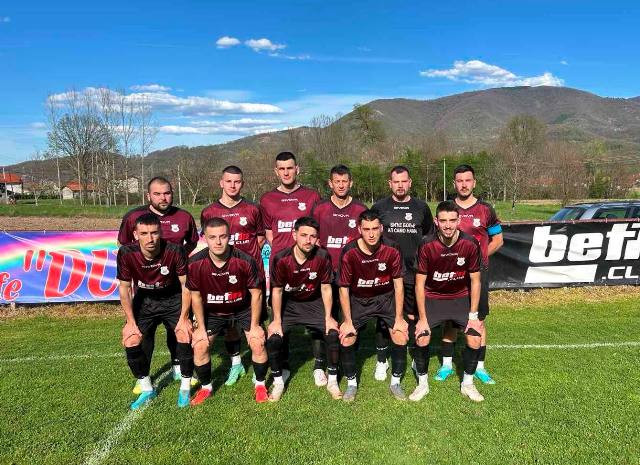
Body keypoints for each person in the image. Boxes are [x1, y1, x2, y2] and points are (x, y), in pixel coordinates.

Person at [118, 176, 199, 389]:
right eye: (157, 193)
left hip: (174, 289)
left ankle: (178, 367)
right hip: (145, 294)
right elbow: (125, 246)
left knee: (179, 332)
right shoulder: (133, 217)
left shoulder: (184, 217)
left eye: (167, 193)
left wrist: (176, 261)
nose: (163, 197)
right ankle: (143, 378)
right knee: (141, 336)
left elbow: (192, 243)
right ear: (148, 196)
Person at [187, 218, 269, 405]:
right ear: (205, 238)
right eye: (212, 237)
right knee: (200, 345)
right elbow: (196, 297)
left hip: (243, 308)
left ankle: (260, 385)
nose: (218, 242)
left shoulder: (244, 260)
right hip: (213, 311)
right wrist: (200, 328)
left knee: (257, 342)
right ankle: (206, 388)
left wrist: (255, 325)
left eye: (223, 236)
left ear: (229, 237)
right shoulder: (194, 263)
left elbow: (256, 294)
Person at [116, 213, 193, 409]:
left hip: (173, 298)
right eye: (144, 233)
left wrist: (185, 317)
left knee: (184, 334)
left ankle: (185, 387)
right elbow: (124, 288)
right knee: (132, 339)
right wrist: (130, 322)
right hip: (145, 301)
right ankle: (146, 388)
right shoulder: (126, 252)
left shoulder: (175, 250)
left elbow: (186, 286)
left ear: (161, 232)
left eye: (154, 233)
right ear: (135, 235)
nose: (150, 238)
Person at [260, 152, 324, 385]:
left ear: (297, 169)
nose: (286, 172)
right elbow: (269, 235)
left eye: (290, 168)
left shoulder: (312, 196)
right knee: (279, 316)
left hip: (310, 266)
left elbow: (317, 230)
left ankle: (319, 365)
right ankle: (283, 365)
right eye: (282, 168)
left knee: (317, 315)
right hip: (282, 267)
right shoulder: (267, 199)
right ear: (276, 171)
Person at [436, 164, 503, 384]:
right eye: (459, 181)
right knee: (449, 319)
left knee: (478, 319)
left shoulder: (486, 210)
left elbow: (498, 240)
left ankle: (480, 367)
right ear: (454, 183)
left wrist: (478, 258)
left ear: (474, 182)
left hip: (478, 274)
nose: (464, 185)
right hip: (451, 274)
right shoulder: (447, 208)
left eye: (467, 180)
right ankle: (446, 365)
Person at [200, 165, 266, 386]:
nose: (232, 185)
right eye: (228, 181)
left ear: (242, 183)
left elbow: (260, 239)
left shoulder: (253, 209)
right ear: (221, 182)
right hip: (222, 277)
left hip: (250, 277)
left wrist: (244, 263)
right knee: (229, 324)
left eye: (237, 181)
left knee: (255, 326)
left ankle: (262, 368)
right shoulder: (209, 211)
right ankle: (236, 363)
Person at [413, 201, 485, 402]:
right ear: (436, 221)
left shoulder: (470, 243)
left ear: (459, 220)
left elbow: (475, 281)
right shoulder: (426, 244)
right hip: (433, 298)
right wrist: (422, 319)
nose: (448, 225)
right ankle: (422, 384)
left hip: (460, 298)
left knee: (474, 337)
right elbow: (419, 284)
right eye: (443, 221)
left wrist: (473, 316)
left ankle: (468, 384)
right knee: (422, 336)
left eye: (452, 220)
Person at [266, 217, 341, 401]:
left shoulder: (322, 256)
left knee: (332, 333)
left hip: (313, 302)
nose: (308, 240)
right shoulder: (281, 258)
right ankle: (278, 381)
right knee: (274, 338)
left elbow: (326, 288)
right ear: (294, 235)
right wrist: (276, 320)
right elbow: (277, 291)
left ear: (317, 238)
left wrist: (329, 317)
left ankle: (332, 380)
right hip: (289, 304)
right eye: (304, 235)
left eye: (312, 236)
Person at [337, 209, 408, 402]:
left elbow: (398, 285)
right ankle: (351, 384)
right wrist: (347, 321)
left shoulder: (392, 248)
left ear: (381, 228)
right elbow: (343, 288)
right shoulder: (350, 251)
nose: (371, 234)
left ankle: (395, 383)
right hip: (359, 300)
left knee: (400, 335)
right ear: (359, 229)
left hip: (385, 298)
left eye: (375, 228)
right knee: (347, 338)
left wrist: (399, 318)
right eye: (366, 229)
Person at [371, 166, 434, 381]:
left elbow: (428, 238)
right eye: (396, 181)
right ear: (390, 183)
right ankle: (382, 361)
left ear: (410, 183)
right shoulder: (379, 207)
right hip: (386, 273)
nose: (400, 185)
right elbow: (371, 237)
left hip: (414, 273)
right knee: (383, 317)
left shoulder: (421, 207)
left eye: (403, 181)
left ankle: (416, 356)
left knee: (414, 316)